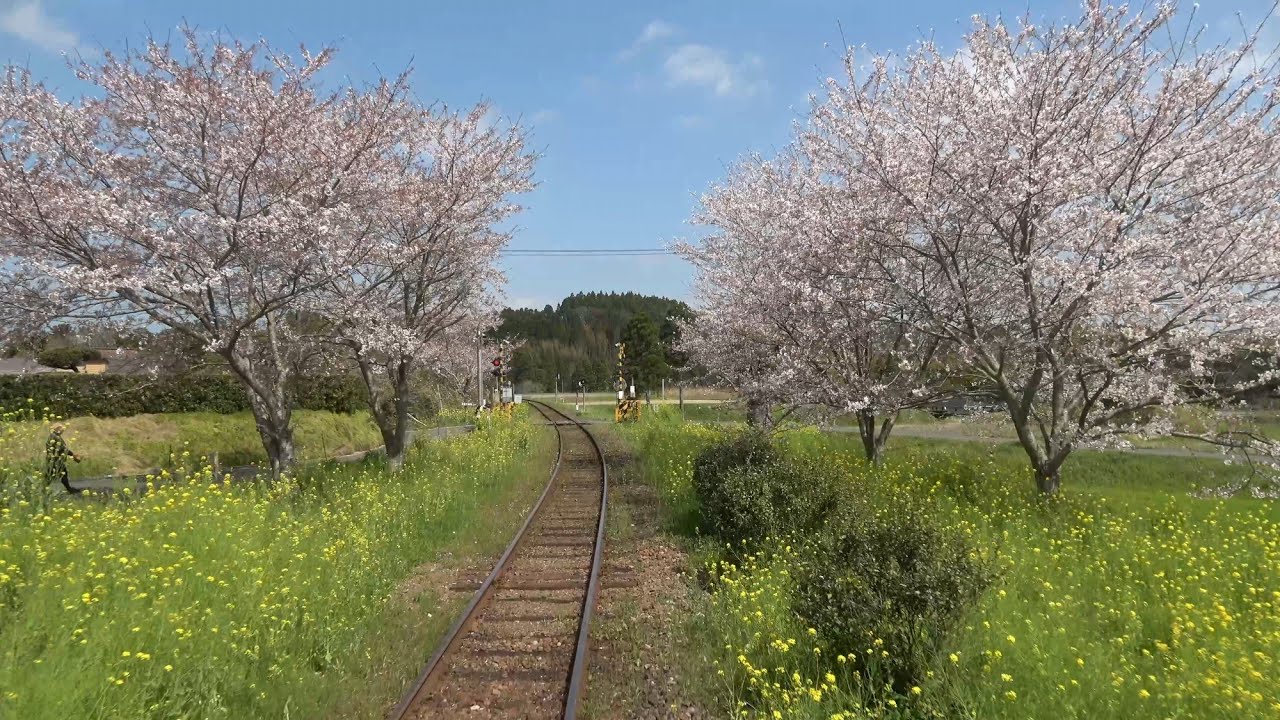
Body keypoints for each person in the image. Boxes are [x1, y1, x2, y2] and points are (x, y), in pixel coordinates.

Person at [44, 424, 82, 495]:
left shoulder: (53, 436)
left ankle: (43, 489)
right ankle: (69, 489)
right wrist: (73, 455)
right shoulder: (55, 437)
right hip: (56, 460)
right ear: (58, 429)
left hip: (53, 459)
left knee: (51, 475)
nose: (62, 431)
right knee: (60, 474)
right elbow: (63, 449)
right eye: (61, 429)